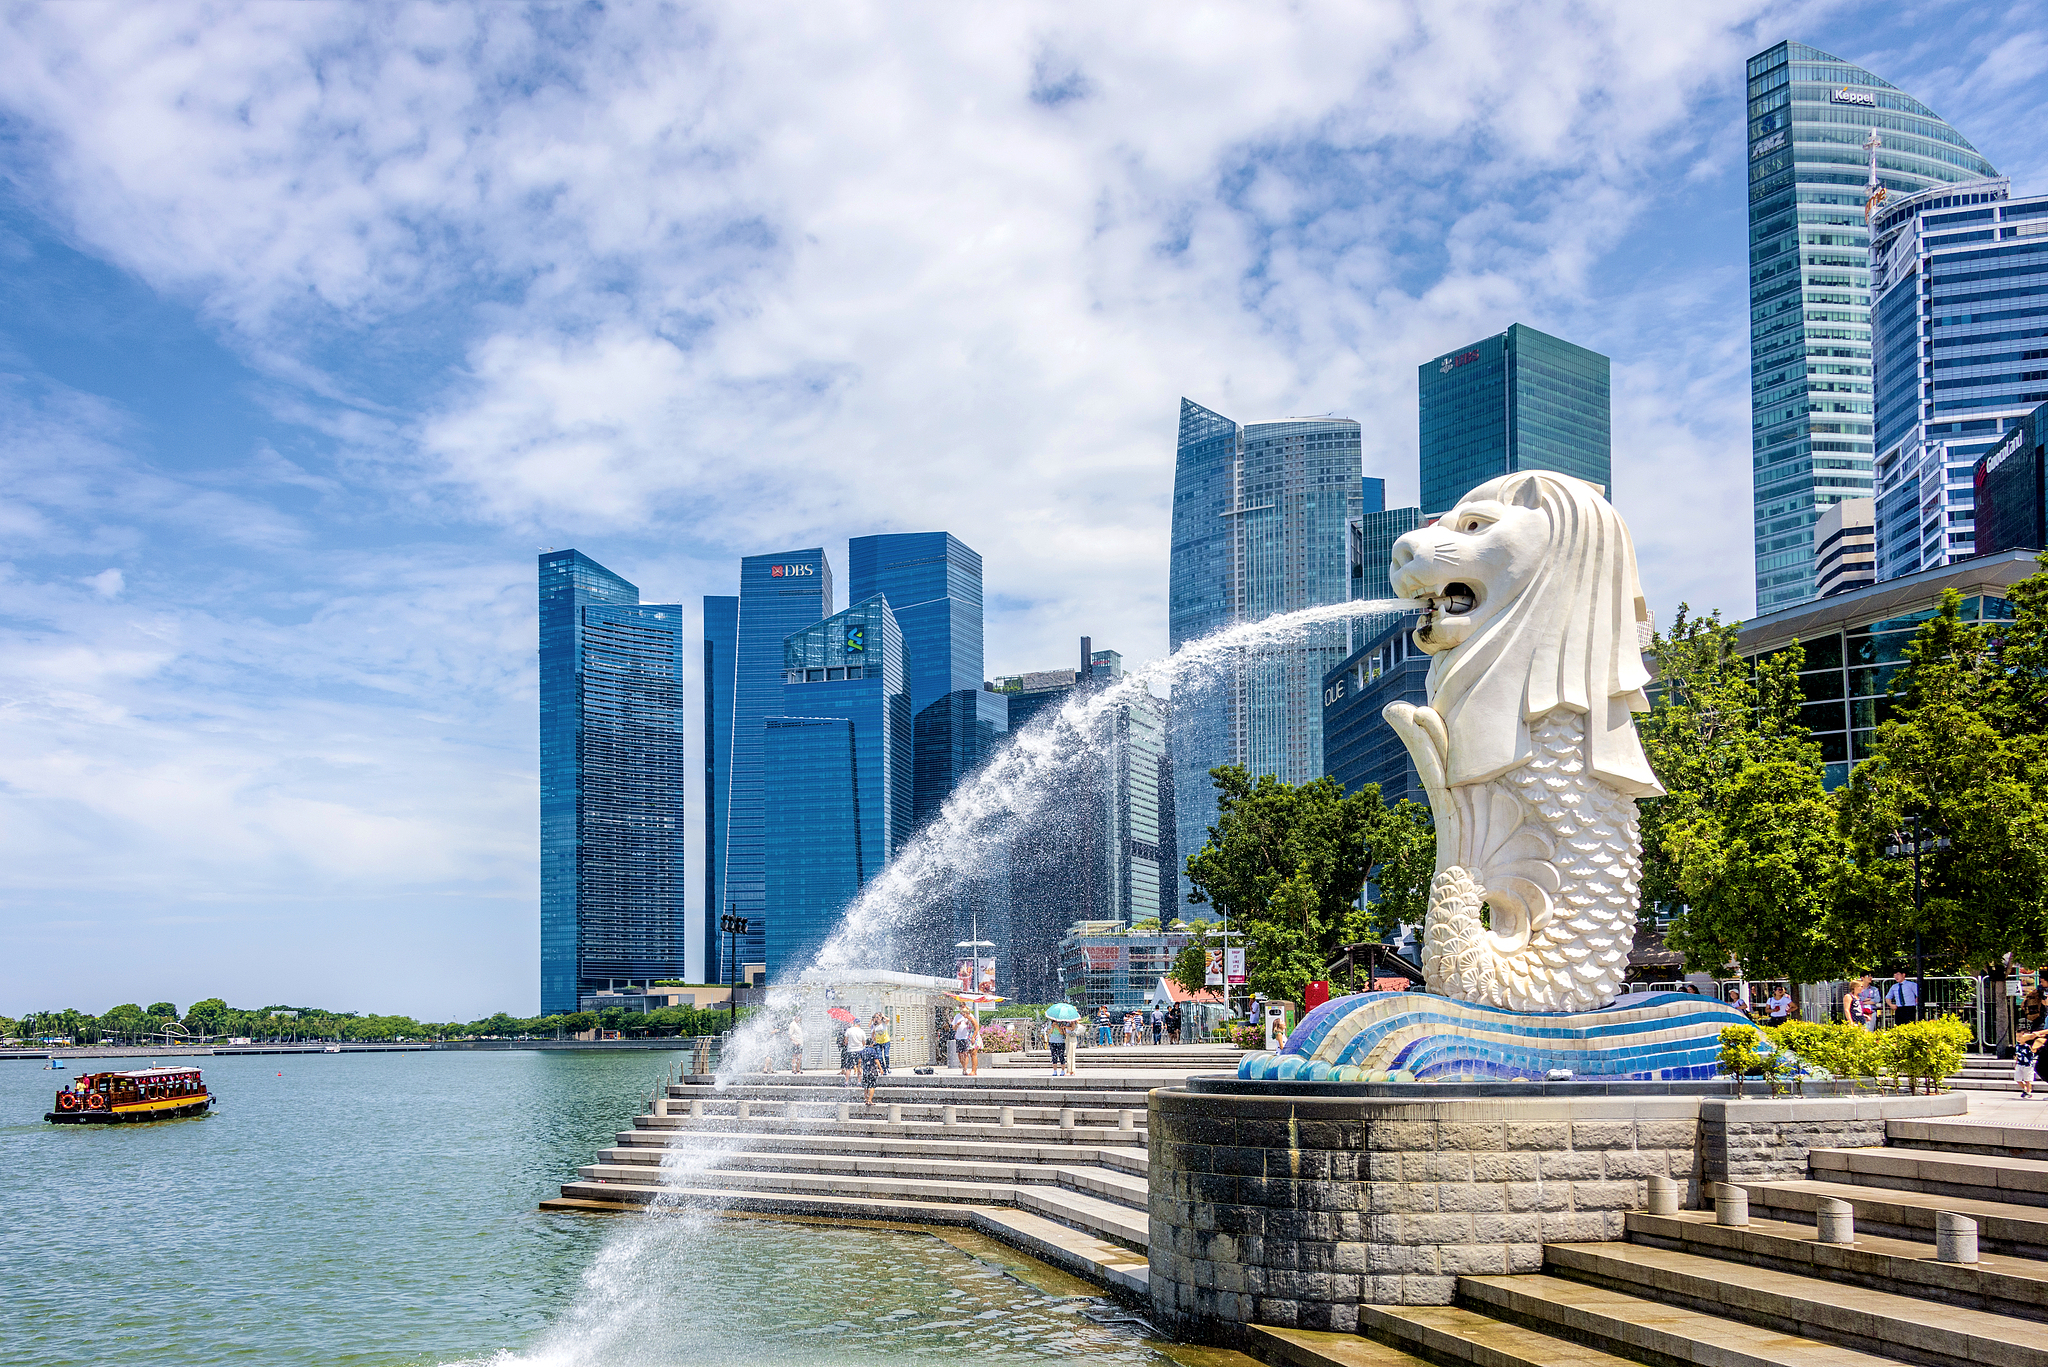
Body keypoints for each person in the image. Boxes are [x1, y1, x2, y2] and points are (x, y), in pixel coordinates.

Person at [2017, 1029, 2042, 1099]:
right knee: (2018, 1079)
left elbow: (2034, 1051)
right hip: (2020, 1064)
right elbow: (2017, 1055)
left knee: (2027, 1079)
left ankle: (2029, 1092)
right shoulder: (2017, 1046)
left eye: (2020, 1036)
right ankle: (2025, 1089)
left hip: (2027, 1065)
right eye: (2017, 1037)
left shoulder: (2028, 1046)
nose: (2018, 1038)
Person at [858, 1039, 883, 1106]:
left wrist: (859, 1069)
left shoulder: (862, 1051)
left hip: (865, 1071)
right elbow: (876, 1060)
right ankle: (870, 1100)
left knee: (866, 1086)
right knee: (872, 1086)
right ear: (872, 1044)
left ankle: (866, 1100)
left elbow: (859, 1061)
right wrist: (880, 1068)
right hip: (872, 1070)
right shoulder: (873, 1051)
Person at [951, 1007, 975, 1075]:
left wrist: (968, 1023)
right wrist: (957, 1025)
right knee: (960, 1054)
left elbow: (974, 1025)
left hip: (966, 1037)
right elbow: (953, 1028)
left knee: (965, 1053)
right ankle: (963, 1066)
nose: (962, 1012)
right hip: (958, 1037)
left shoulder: (970, 1016)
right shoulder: (957, 1016)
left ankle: (965, 1068)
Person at [1045, 1014, 1068, 1078]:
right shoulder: (1050, 1023)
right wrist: (1052, 1027)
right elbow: (1049, 1032)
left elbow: (1062, 1033)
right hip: (1052, 1041)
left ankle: (1063, 1070)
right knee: (1054, 1056)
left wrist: (1058, 1027)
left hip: (1060, 1041)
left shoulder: (1062, 1023)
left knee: (1061, 1055)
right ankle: (1055, 1070)